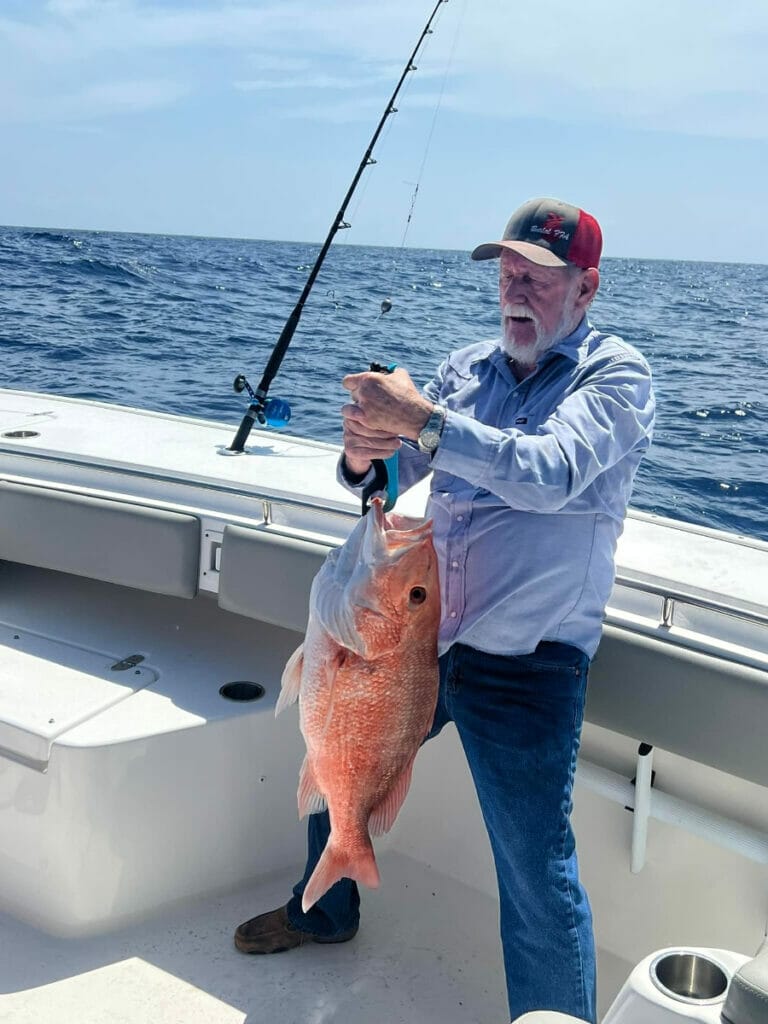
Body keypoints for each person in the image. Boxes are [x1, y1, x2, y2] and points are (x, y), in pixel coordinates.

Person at [234, 197, 655, 1024]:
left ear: (586, 287)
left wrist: (421, 420)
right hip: (418, 643)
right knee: (332, 770)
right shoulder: (469, 367)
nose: (516, 292)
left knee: (536, 871)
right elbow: (392, 483)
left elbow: (549, 471)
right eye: (506, 274)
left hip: (528, 667)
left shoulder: (618, 378)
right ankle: (325, 911)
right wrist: (363, 455)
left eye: (537, 277)